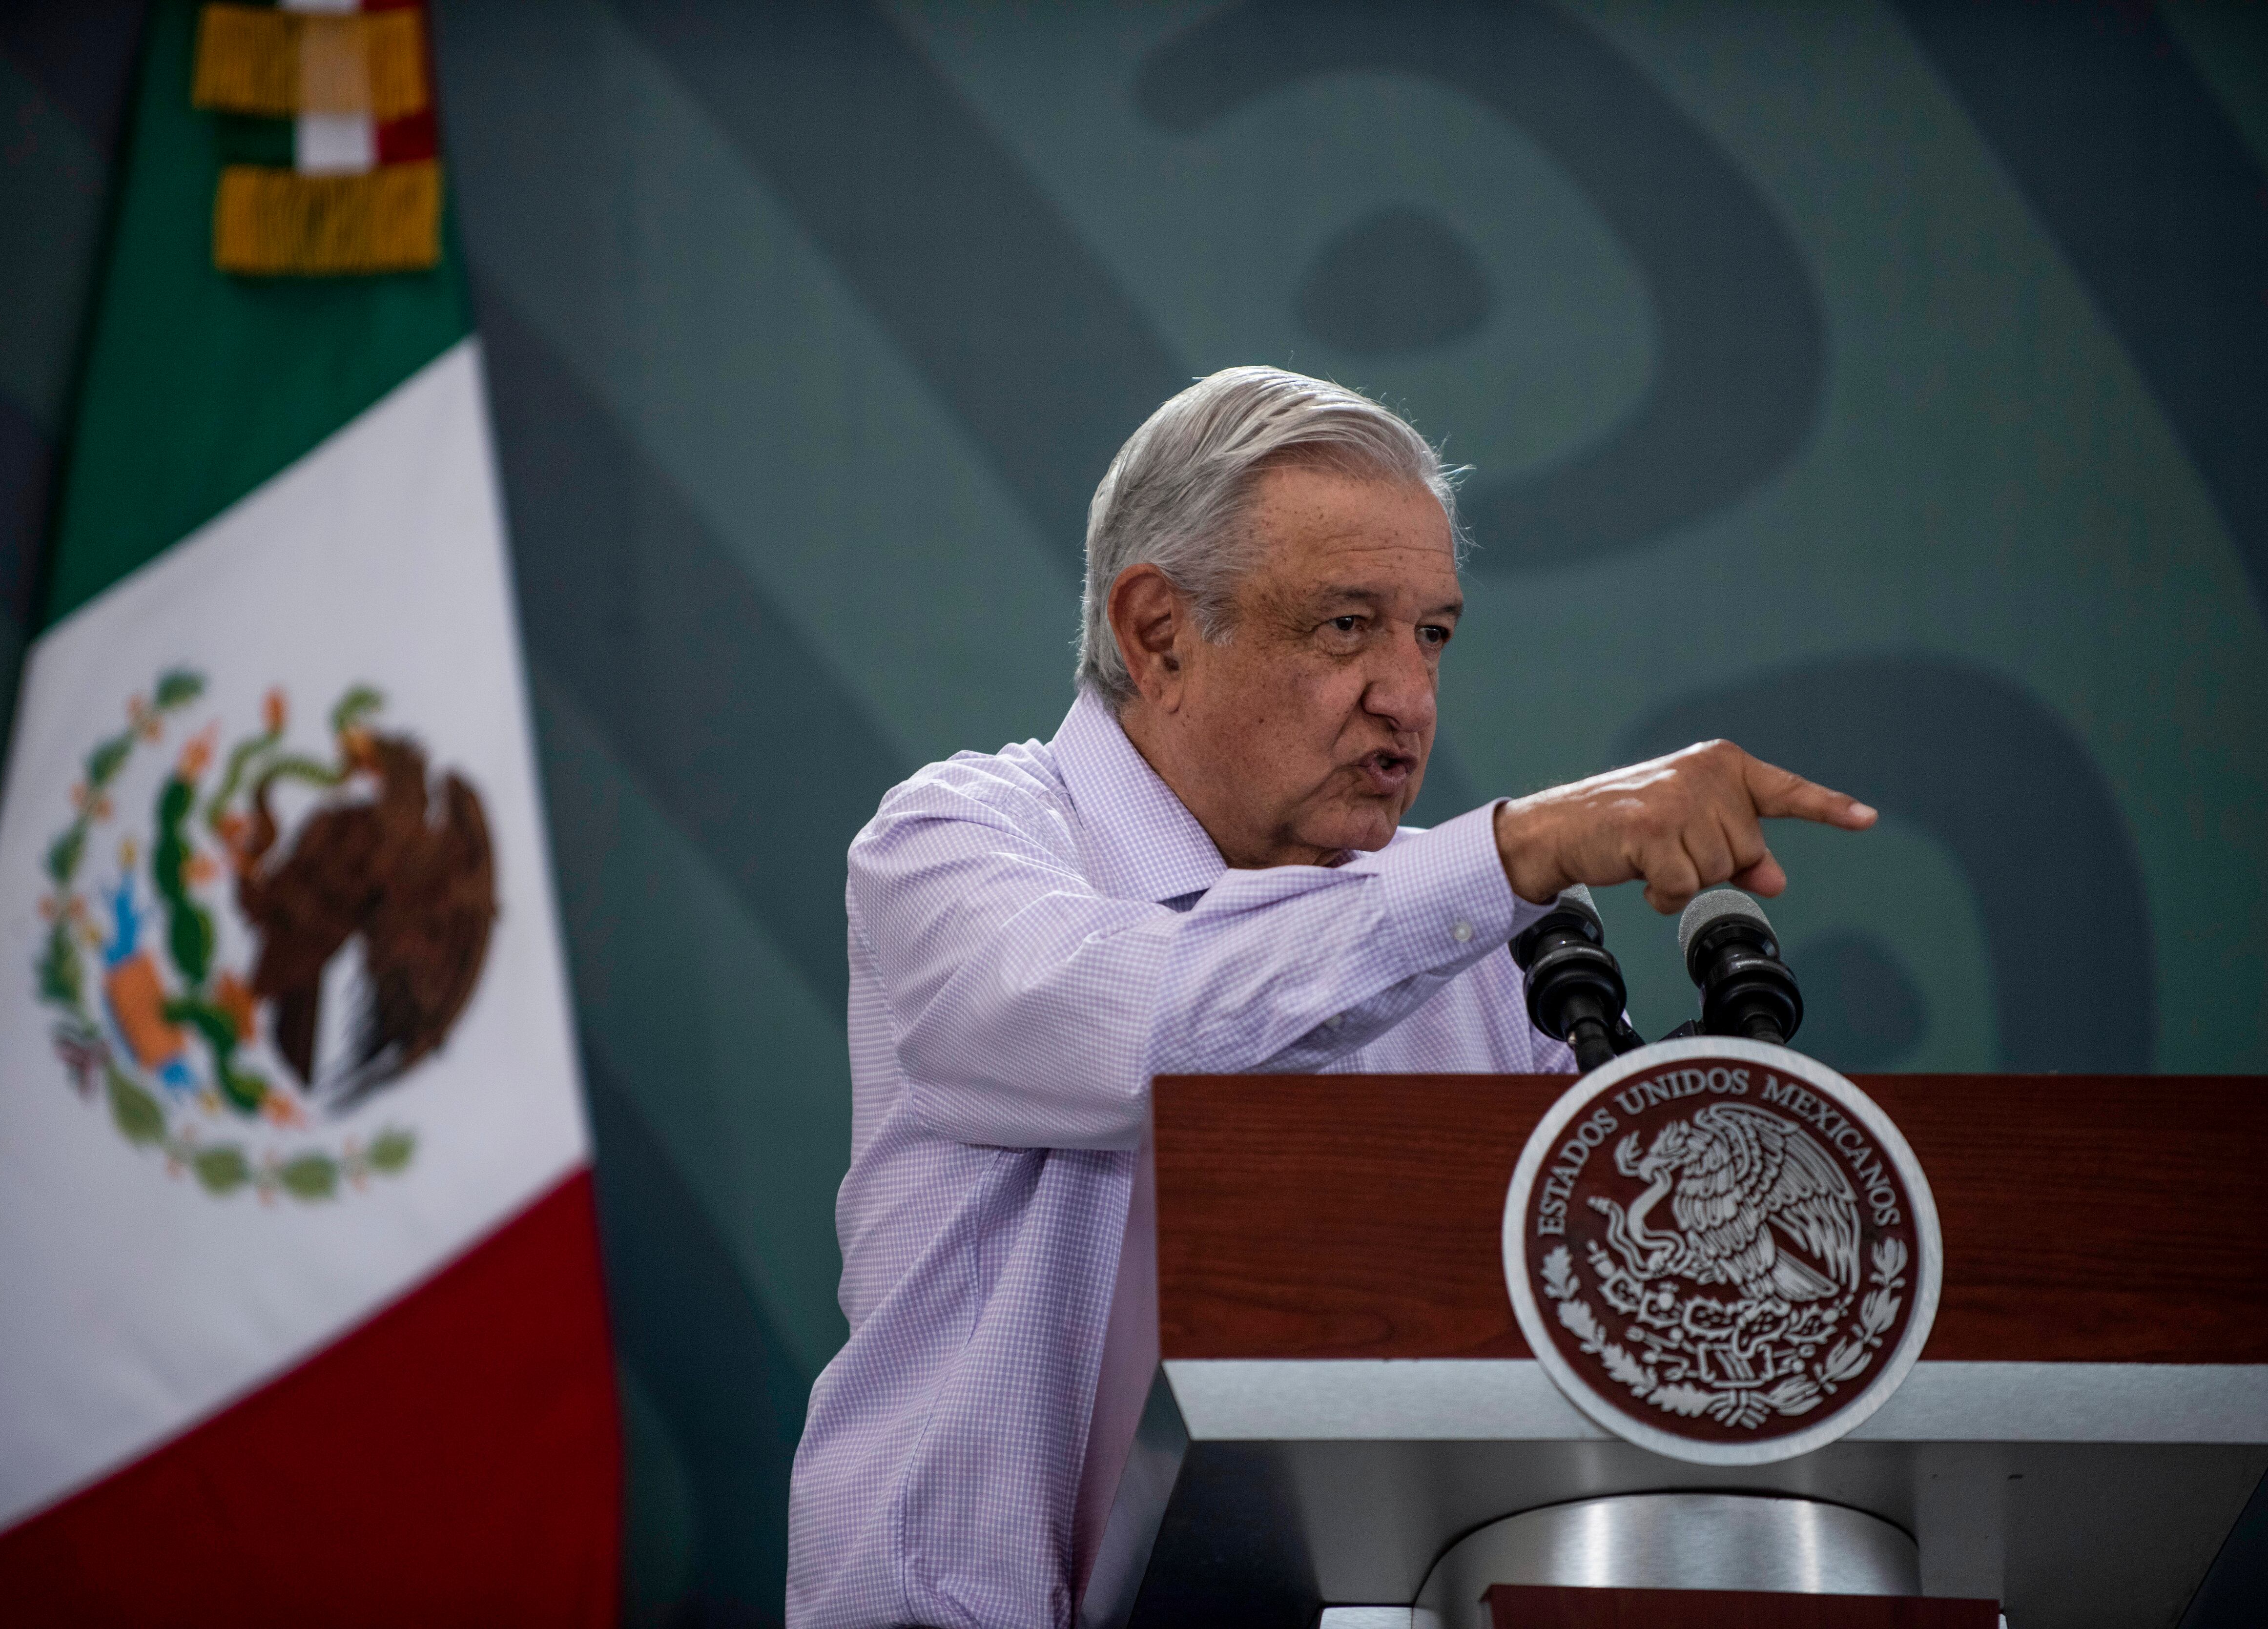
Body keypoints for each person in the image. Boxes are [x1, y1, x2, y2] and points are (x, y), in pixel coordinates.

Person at [785, 367, 1876, 1628]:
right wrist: (1516, 850)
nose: (1408, 697)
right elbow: (1157, 1035)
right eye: (1346, 626)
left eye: (1434, 634)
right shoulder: (955, 845)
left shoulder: (1466, 949)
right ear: (1159, 635)